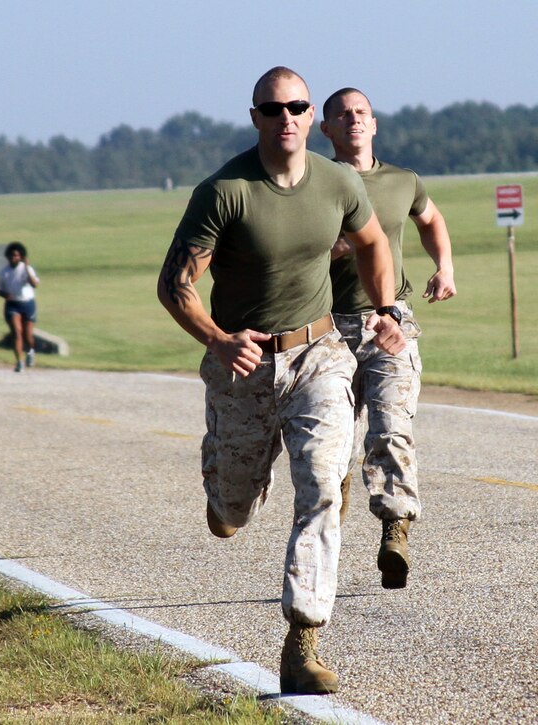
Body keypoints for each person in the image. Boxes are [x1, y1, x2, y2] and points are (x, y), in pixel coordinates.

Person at [155, 67, 405, 695]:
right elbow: (174, 284)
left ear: (308, 111)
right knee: (231, 511)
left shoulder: (338, 181)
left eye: (296, 107)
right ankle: (227, 486)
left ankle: (303, 640)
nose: (286, 119)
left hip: (320, 352)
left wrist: (385, 310)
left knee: (323, 486)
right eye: (273, 110)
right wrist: (218, 340)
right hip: (243, 363)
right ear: (256, 116)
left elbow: (374, 242)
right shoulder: (225, 191)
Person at [320, 87, 457, 590]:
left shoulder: (403, 180)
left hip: (389, 323)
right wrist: (335, 246)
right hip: (325, 327)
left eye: (361, 113)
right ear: (326, 129)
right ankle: (330, 525)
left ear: (374, 124)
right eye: (343, 114)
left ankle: (395, 527)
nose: (353, 120)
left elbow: (431, 218)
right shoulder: (313, 184)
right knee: (333, 446)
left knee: (391, 427)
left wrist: (444, 267)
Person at [0, 241, 40, 372]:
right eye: (11, 255)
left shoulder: (26, 269)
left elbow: (34, 284)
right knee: (17, 332)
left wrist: (27, 267)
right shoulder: (4, 272)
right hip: (12, 304)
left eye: (16, 255)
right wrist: (5, 295)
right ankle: (19, 362)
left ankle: (31, 351)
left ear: (21, 256)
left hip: (27, 303)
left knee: (28, 335)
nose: (13, 258)